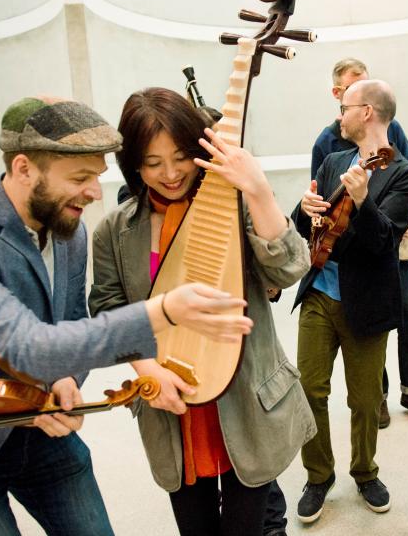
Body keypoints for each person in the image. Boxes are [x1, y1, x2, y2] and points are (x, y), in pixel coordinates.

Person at [0, 96, 253, 536]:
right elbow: (30, 347)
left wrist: (67, 379)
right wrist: (161, 310)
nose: (96, 192)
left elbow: (69, 325)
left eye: (98, 177)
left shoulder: (69, 230)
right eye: (80, 178)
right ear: (24, 168)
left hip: (45, 433)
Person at [87, 87, 315, 536]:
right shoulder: (115, 231)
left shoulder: (231, 207)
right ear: (133, 164)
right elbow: (107, 310)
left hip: (245, 398)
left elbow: (289, 268)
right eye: (152, 163)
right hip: (171, 404)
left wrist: (259, 191)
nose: (170, 174)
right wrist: (147, 368)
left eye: (179, 157)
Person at [291, 79, 408, 524]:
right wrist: (303, 207)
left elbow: (385, 241)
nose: (338, 115)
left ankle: (365, 471)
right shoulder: (332, 161)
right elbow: (309, 226)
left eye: (344, 107)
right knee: (309, 389)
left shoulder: (404, 173)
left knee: (365, 400)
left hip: (367, 302)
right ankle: (318, 476)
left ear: (366, 112)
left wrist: (364, 201)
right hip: (320, 295)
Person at [311, 57, 408, 429]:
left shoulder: (390, 128)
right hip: (355, 247)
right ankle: (378, 393)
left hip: (392, 237)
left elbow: (402, 170)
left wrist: (385, 217)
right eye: (354, 88)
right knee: (370, 316)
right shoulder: (328, 142)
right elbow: (322, 200)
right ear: (339, 93)